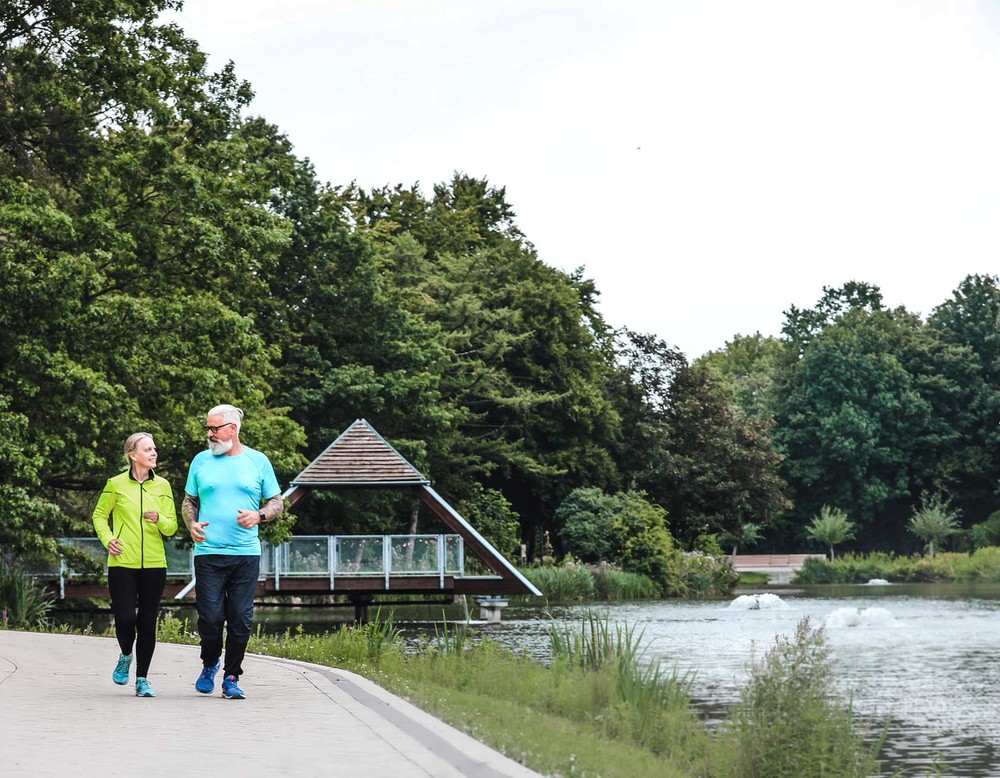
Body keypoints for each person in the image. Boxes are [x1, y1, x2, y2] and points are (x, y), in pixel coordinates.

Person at [182, 404, 283, 700]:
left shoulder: (258, 461)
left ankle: (231, 676)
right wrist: (191, 524)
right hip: (208, 553)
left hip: (245, 554)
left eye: (215, 429)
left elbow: (276, 502)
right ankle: (210, 663)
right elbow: (189, 500)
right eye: (208, 429)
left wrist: (259, 516)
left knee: (240, 617)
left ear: (233, 429)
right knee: (210, 618)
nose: (210, 434)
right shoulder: (200, 461)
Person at [92, 432, 178, 698]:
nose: (154, 453)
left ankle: (142, 679)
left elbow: (173, 526)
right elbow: (99, 515)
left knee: (148, 622)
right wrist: (108, 539)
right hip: (122, 563)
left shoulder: (162, 486)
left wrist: (159, 520)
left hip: (154, 563)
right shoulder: (115, 484)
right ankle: (126, 654)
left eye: (154, 449)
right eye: (148, 449)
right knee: (126, 618)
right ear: (133, 455)